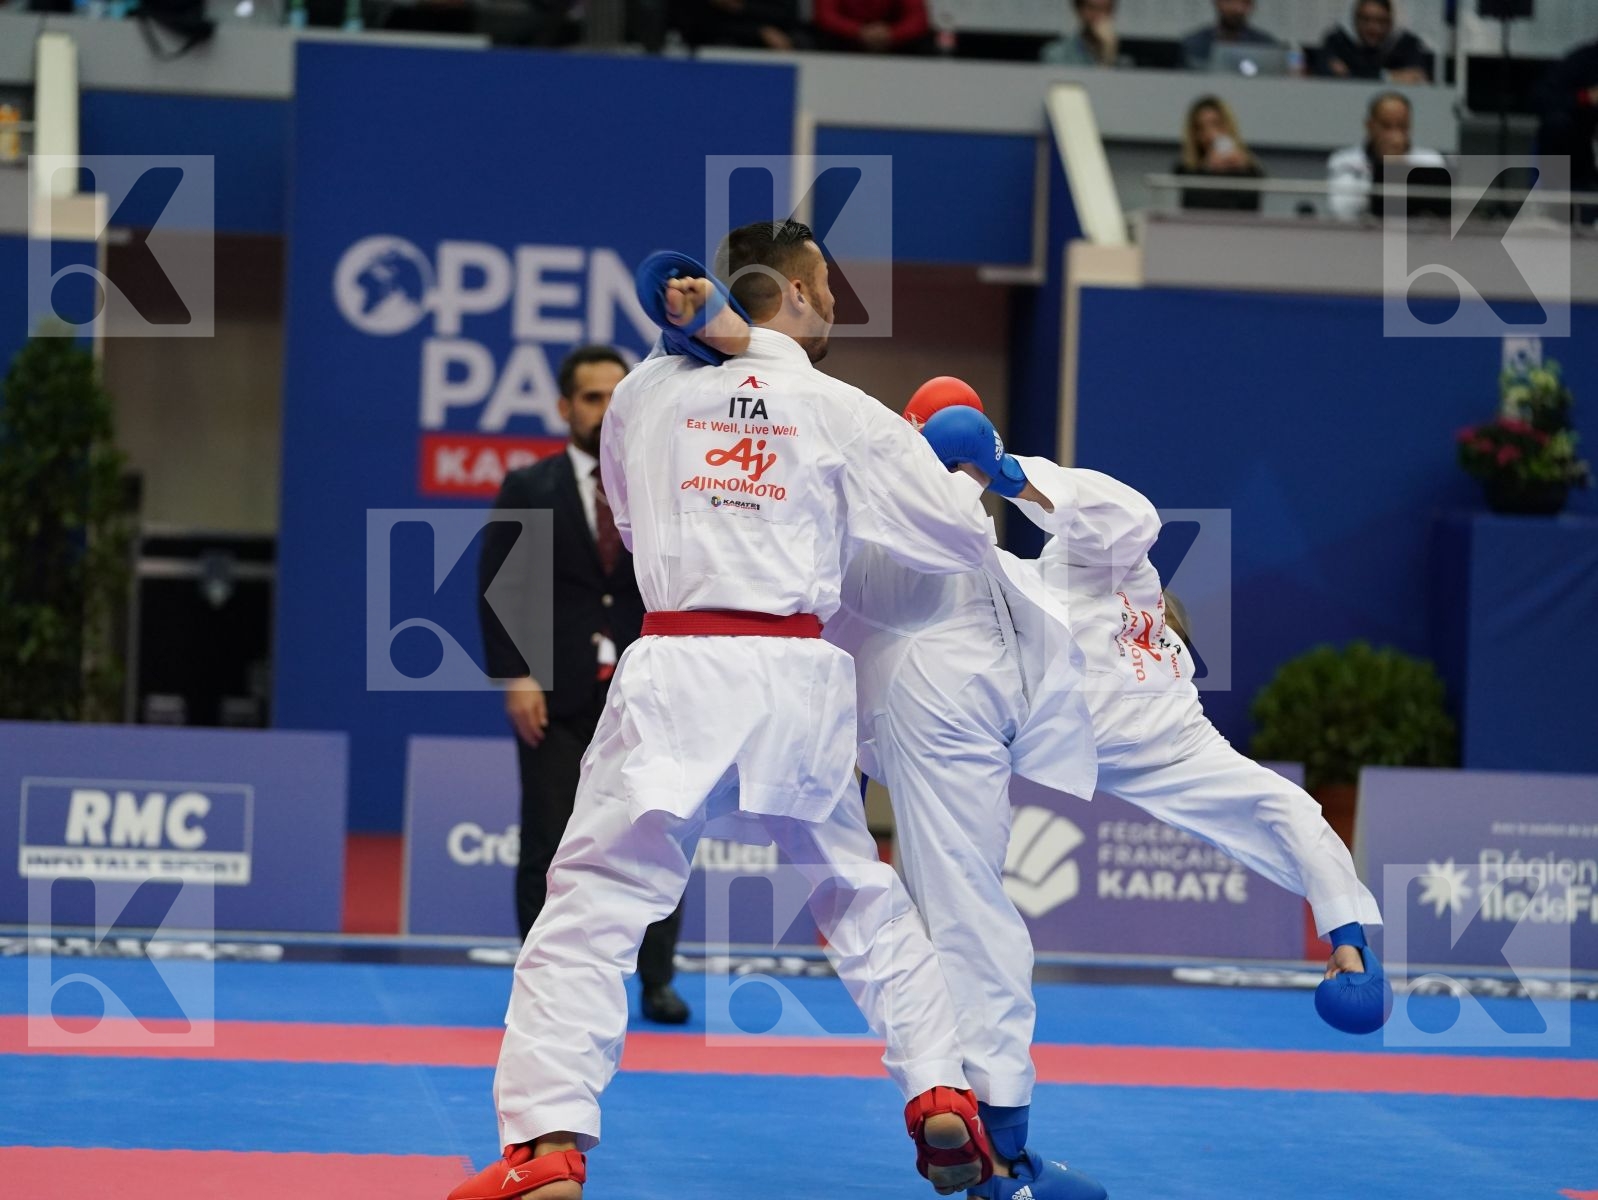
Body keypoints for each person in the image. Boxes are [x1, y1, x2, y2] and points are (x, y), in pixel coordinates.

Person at [447, 221, 1053, 1200]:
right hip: (799, 673)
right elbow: (953, 541)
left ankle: (548, 1144)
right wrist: (946, 467)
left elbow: (634, 519)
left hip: (682, 657)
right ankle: (938, 1088)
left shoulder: (644, 394)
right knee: (856, 893)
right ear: (801, 291)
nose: (837, 309)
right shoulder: (838, 410)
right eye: (832, 291)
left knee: (594, 902)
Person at [477, 345, 689, 1027]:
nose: (604, 410)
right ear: (565, 407)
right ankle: (543, 987)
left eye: (614, 397)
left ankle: (656, 981)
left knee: (658, 834)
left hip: (647, 690)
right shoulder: (528, 487)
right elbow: (501, 589)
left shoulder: (659, 484)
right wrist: (517, 675)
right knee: (547, 839)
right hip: (555, 690)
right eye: (591, 398)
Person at [1326, 90, 1445, 220]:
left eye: (1402, 126)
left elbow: (1438, 213)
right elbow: (1341, 209)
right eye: (1386, 126)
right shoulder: (1344, 160)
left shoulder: (1430, 160)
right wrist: (1387, 167)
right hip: (1363, 235)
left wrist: (1399, 165)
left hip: (1416, 236)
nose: (1395, 134)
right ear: (1369, 126)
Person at [1534, 37, 1598, 224]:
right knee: (1557, 125)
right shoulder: (1586, 59)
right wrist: (1585, 98)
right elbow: (1541, 97)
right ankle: (1557, 206)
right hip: (1581, 155)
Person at [1173, 95, 1266, 212]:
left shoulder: (1250, 169)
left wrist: (1242, 170)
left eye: (1216, 124)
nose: (1210, 133)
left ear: (1228, 125)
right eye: (1201, 128)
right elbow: (1193, 205)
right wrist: (1208, 169)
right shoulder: (1184, 170)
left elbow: (1249, 208)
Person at [1314, 0, 1432, 83]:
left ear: (1391, 22)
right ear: (1354, 19)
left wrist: (1350, 74)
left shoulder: (1407, 45)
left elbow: (1416, 77)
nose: (1373, 28)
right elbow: (1324, 75)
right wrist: (1390, 77)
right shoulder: (1336, 41)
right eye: (1366, 20)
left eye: (1381, 21)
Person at [1180, 0, 1280, 72]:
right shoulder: (1192, 44)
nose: (1236, 9)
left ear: (1251, 6)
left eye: (1243, 3)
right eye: (1229, 1)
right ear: (1217, 3)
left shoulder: (1266, 45)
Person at [672, 0, 801, 51]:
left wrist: (741, 7)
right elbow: (693, 27)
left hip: (769, 37)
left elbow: (786, 14)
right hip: (712, 44)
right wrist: (757, 32)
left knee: (800, 41)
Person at [813, 0, 934, 55]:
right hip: (846, 40)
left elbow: (918, 18)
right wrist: (858, 31)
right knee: (820, 38)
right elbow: (825, 15)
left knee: (927, 43)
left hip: (891, 42)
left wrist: (892, 34)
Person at [1040, 0, 1122, 69]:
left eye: (1107, 9)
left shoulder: (1123, 62)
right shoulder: (1057, 54)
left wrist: (1108, 53)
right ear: (1079, 9)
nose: (1100, 16)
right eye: (1093, 8)